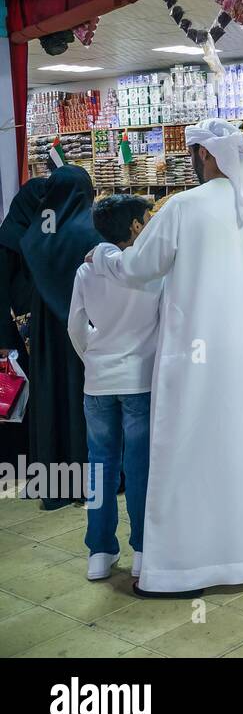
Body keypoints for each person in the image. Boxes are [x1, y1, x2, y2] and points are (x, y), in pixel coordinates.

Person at [88, 119, 243, 596]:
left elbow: (138, 268)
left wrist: (102, 259)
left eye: (194, 154)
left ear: (206, 156)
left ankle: (184, 567)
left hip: (197, 363)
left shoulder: (184, 207)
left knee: (190, 455)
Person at [68, 195, 161, 582]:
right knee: (140, 468)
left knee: (100, 466)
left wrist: (92, 357)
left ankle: (99, 553)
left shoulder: (86, 271)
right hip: (139, 380)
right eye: (146, 218)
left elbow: (76, 325)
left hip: (98, 382)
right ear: (136, 228)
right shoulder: (153, 272)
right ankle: (142, 550)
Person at [17, 166, 102, 508]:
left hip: (47, 334)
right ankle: (88, 478)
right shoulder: (91, 231)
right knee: (83, 400)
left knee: (51, 396)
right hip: (84, 330)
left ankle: (52, 481)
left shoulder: (36, 233)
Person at [0, 175, 48, 470]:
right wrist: (4, 343)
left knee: (28, 396)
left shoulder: (30, 234)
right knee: (14, 395)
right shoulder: (7, 240)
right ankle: (15, 460)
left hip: (27, 328)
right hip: (11, 335)